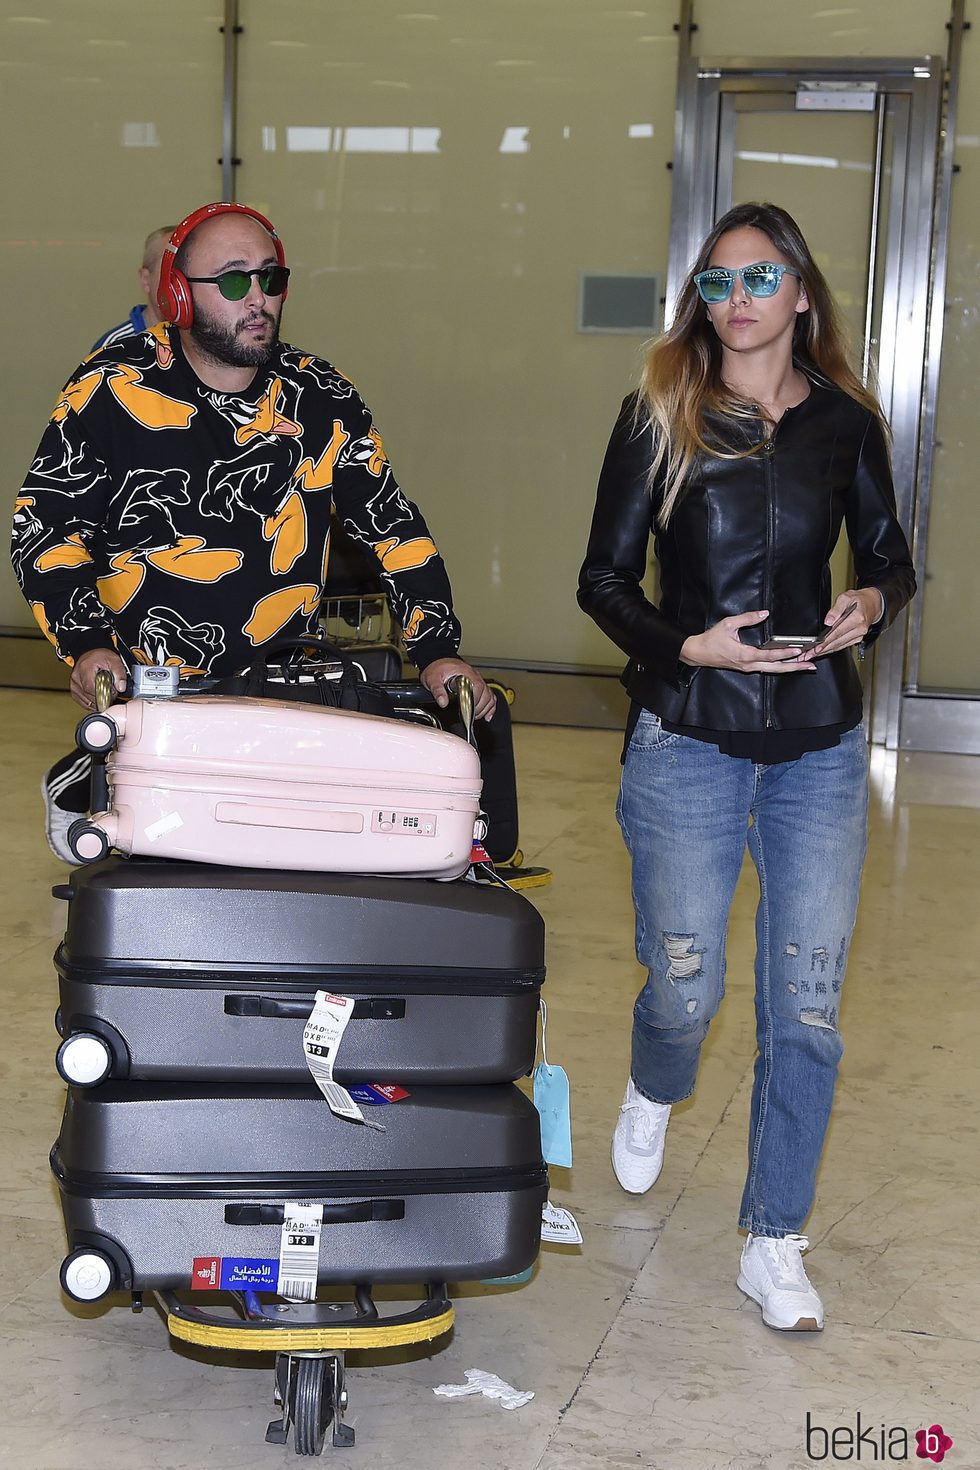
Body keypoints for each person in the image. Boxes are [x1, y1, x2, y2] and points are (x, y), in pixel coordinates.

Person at [577, 202, 915, 1333]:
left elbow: (883, 556)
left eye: (759, 278)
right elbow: (603, 582)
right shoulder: (657, 417)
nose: (736, 300)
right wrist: (687, 644)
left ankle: (772, 1239)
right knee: (685, 990)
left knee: (805, 1011)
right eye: (717, 283)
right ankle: (653, 1081)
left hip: (816, 744)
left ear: (801, 294)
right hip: (688, 737)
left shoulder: (843, 425)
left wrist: (865, 604)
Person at [13, 202, 494, 860]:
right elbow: (47, 528)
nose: (260, 298)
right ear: (179, 293)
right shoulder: (110, 388)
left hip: (283, 670)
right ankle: (82, 775)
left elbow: (393, 527)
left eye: (271, 279)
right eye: (235, 280)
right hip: (155, 684)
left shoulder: (320, 395)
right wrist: (87, 643)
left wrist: (437, 647)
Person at [90, 225, 176, 351]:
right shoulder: (113, 349)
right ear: (146, 279)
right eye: (171, 271)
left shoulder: (205, 340)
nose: (182, 282)